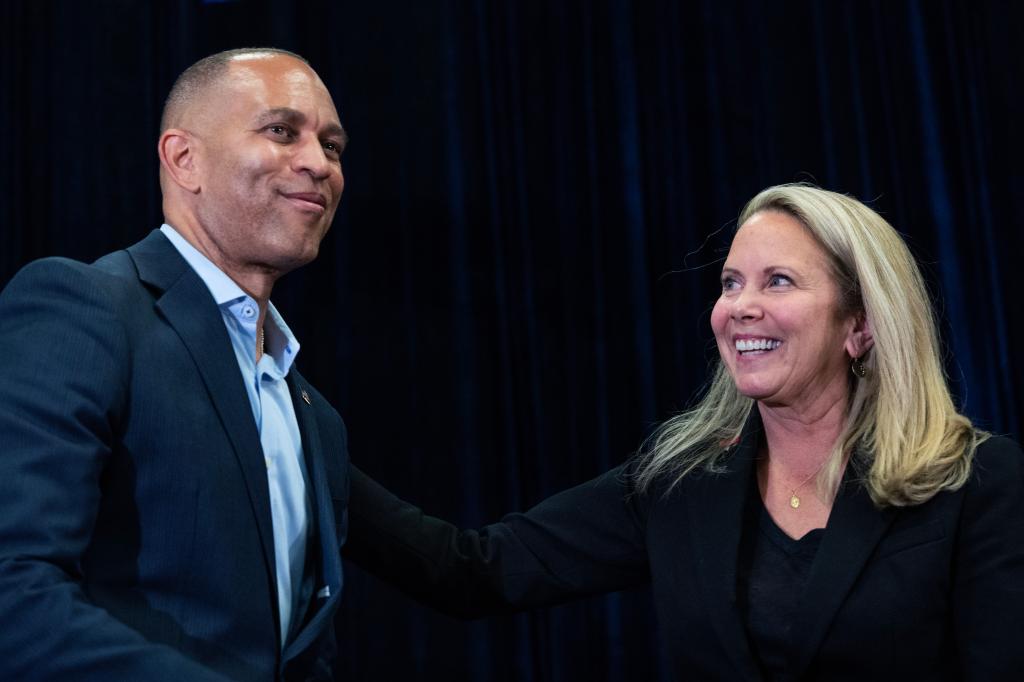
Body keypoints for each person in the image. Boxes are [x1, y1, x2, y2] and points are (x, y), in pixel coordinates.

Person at [343, 184, 1024, 680]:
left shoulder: (978, 482)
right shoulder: (680, 482)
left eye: (778, 281)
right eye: (731, 283)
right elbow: (473, 572)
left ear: (860, 326)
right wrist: (295, 427)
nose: (741, 307)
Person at [0, 48, 352, 680]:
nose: (316, 164)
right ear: (183, 159)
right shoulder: (84, 309)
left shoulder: (312, 414)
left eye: (332, 146)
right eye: (281, 131)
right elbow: (12, 588)